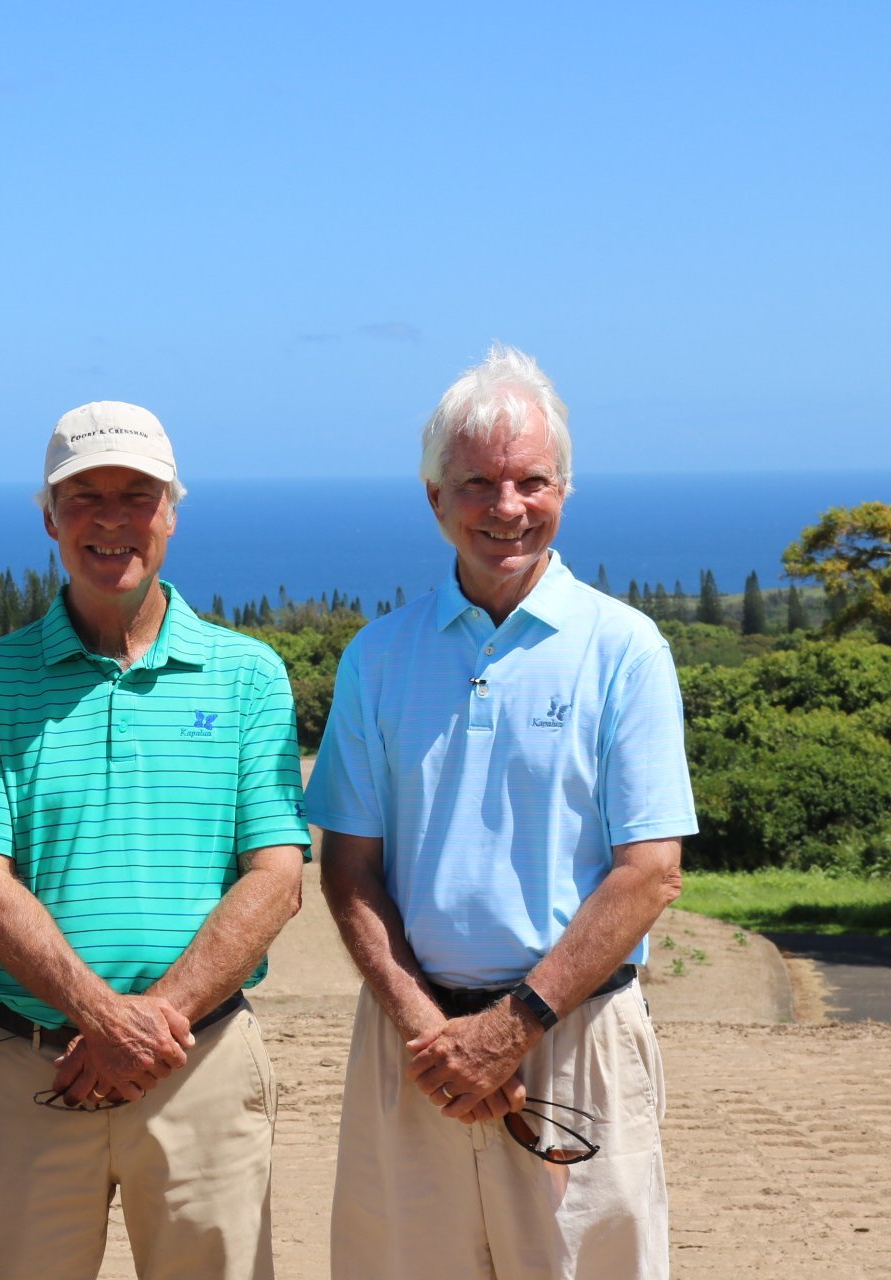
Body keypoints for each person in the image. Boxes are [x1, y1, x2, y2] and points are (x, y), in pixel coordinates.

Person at [307, 345, 695, 1279]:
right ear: (435, 498)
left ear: (565, 487)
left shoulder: (624, 649)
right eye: (477, 481)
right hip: (416, 1046)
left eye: (530, 479)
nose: (506, 507)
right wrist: (432, 1032)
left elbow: (651, 871)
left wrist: (509, 1027)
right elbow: (348, 868)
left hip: (575, 1042)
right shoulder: (379, 656)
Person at [0, 401, 310, 1279]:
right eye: (84, 497)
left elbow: (277, 876)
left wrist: (148, 1027)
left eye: (137, 495)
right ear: (49, 518)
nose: (112, 519)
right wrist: (104, 1019)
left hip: (202, 1069)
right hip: (34, 1069)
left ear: (172, 512)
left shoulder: (248, 673)